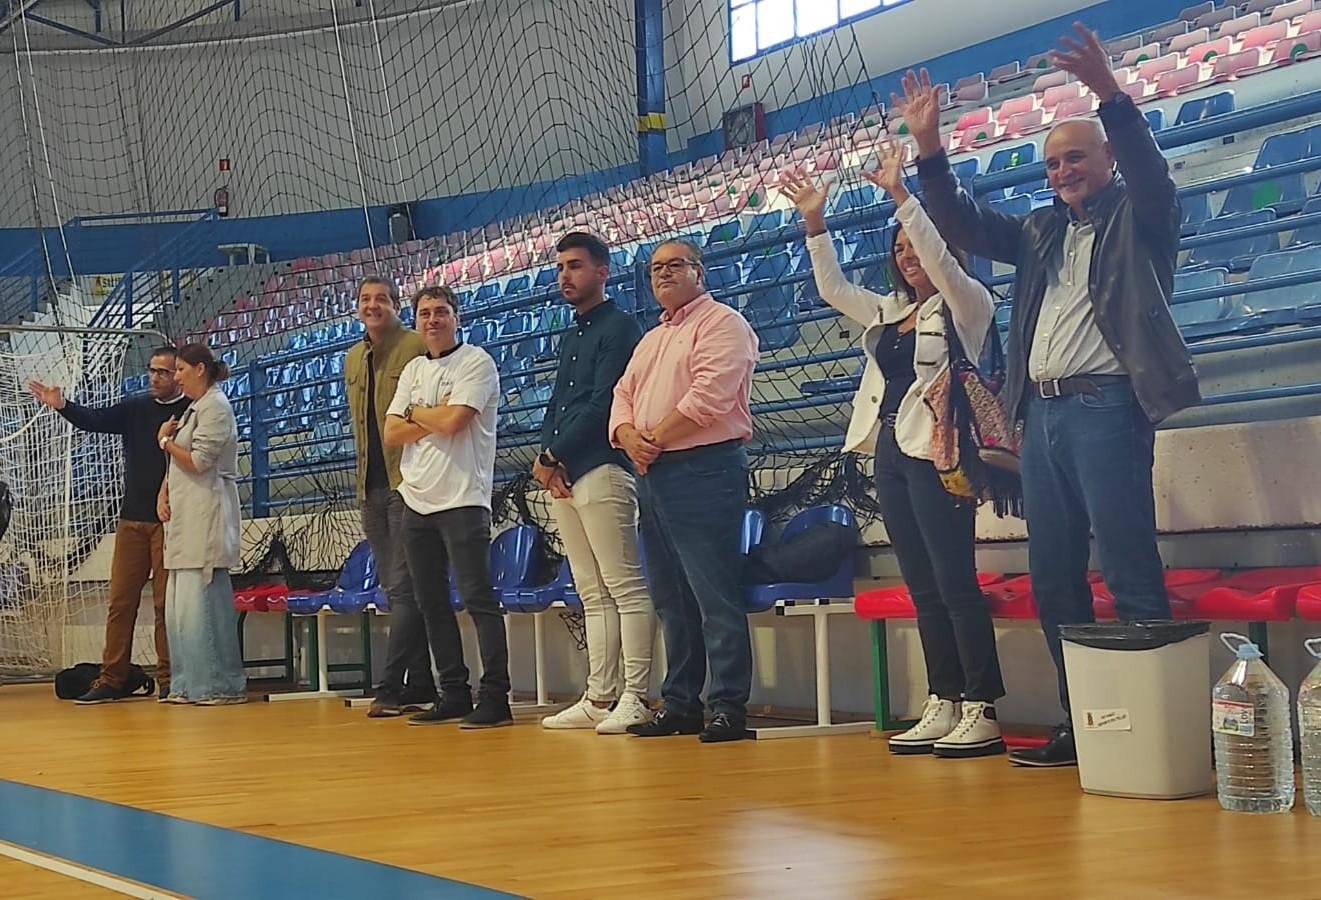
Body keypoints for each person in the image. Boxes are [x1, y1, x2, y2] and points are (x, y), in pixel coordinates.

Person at [898, 23, 1200, 767]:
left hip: (1105, 408)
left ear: (1106, 160)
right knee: (1053, 578)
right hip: (1041, 416)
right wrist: (929, 148)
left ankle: (1157, 732)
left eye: (1076, 157)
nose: (1062, 170)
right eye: (1053, 162)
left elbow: (1149, 172)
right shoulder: (1038, 231)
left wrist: (1110, 97)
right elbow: (962, 222)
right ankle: (1086, 724)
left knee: (1127, 568)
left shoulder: (1142, 216)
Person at [781, 139, 1006, 758]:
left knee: (955, 579)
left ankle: (982, 705)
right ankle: (944, 697)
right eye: (899, 249)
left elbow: (940, 260)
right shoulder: (888, 311)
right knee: (922, 583)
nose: (908, 256)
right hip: (889, 450)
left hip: (941, 453)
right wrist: (814, 222)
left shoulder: (967, 304)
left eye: (916, 246)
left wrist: (904, 197)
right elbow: (832, 288)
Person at [609, 239, 759, 743]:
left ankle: (727, 706)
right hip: (654, 472)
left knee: (713, 594)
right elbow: (623, 394)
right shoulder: (652, 339)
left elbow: (710, 396)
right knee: (671, 598)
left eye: (675, 265)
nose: (663, 274)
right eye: (656, 268)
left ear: (700, 271)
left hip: (704, 468)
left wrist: (650, 439)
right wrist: (627, 434)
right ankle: (680, 703)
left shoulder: (722, 323)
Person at [534, 232, 656, 735]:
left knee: (624, 585)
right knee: (591, 590)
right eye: (561, 266)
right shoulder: (573, 334)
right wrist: (547, 459)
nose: (565, 275)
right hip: (567, 473)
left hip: (603, 466)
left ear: (602, 272)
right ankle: (599, 695)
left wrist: (554, 454)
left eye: (576, 265)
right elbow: (558, 403)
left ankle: (637, 695)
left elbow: (604, 402)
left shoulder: (620, 327)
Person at [29, 347, 190, 704]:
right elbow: (95, 420)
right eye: (151, 370)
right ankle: (112, 678)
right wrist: (62, 405)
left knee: (165, 605)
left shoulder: (189, 411)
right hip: (132, 519)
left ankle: (170, 678)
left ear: (178, 375)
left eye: (163, 372)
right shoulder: (135, 408)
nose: (154, 377)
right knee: (120, 602)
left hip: (169, 521)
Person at [383, 286, 511, 729]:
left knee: (479, 599)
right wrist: (430, 414)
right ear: (416, 322)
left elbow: (456, 422)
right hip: (415, 499)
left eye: (441, 311)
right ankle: (453, 692)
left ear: (456, 317)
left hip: (463, 498)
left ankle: (495, 697)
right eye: (424, 313)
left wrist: (416, 413)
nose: (432, 319)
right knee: (430, 602)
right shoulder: (414, 369)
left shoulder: (476, 361)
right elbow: (391, 433)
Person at [345, 275, 437, 718]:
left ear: (396, 305)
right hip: (370, 485)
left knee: (403, 586)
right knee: (397, 588)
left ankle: (391, 685)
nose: (373, 305)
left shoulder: (415, 346)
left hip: (407, 482)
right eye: (365, 299)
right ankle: (420, 683)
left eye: (381, 298)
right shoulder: (352, 357)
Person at [156, 343, 246, 705]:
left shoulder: (216, 407)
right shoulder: (194, 409)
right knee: (179, 608)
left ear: (199, 369)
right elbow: (179, 466)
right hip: (185, 518)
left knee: (202, 606)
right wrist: (163, 492)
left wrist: (164, 441)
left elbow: (199, 461)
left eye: (180, 369)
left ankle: (219, 685)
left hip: (207, 514)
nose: (176, 377)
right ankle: (187, 683)